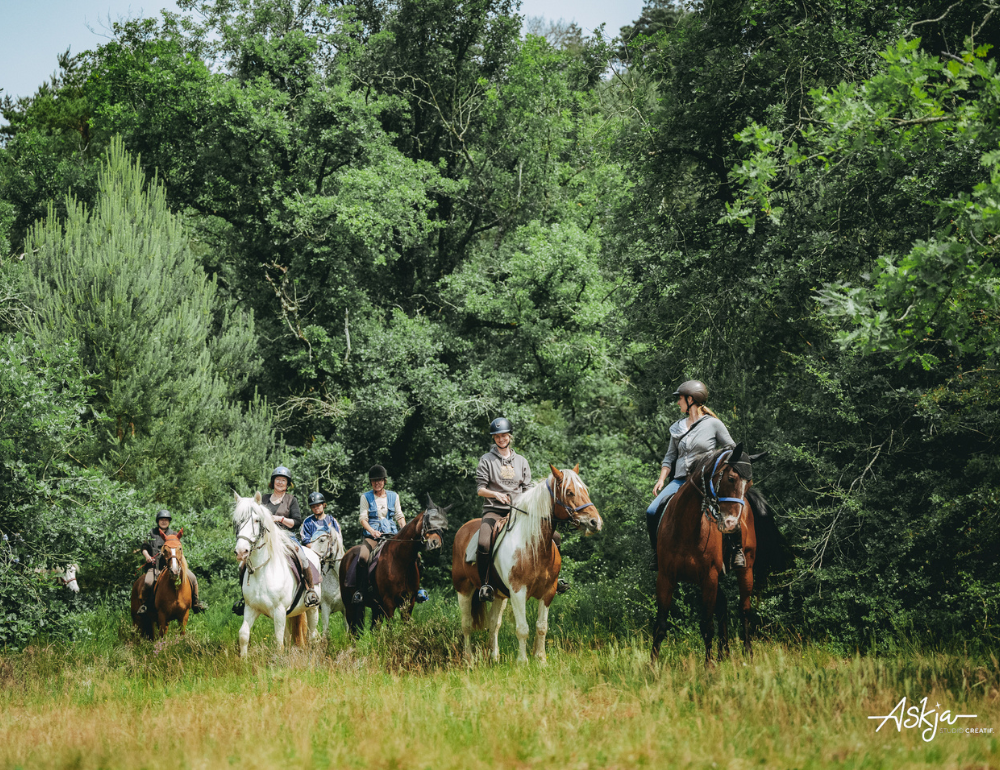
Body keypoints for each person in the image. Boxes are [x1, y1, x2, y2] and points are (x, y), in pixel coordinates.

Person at [474, 417, 569, 602]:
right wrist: (495, 494)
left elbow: (527, 490)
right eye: (497, 436)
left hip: (519, 511)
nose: (501, 439)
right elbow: (480, 489)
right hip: (494, 510)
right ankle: (486, 584)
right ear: (494, 439)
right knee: (484, 543)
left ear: (510, 436)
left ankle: (554, 578)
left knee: (555, 537)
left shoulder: (522, 461)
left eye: (504, 435)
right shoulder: (486, 460)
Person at [646, 380, 738, 570]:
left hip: (705, 482)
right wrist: (662, 479)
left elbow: (731, 449)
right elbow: (670, 456)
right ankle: (657, 554)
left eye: (680, 399)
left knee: (729, 509)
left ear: (690, 399)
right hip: (679, 480)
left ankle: (735, 551)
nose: (678, 403)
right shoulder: (677, 427)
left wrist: (717, 465)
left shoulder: (714, 424)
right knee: (652, 511)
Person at [232, 465, 319, 615]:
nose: (280, 482)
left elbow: (297, 521)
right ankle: (245, 597)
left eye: (283, 480)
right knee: (243, 564)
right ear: (273, 482)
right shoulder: (263, 499)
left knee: (302, 557)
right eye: (278, 479)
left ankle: (310, 590)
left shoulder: (292, 500)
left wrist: (280, 518)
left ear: (288, 484)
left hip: (285, 537)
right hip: (265, 538)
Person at [353, 465, 405, 605]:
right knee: (363, 557)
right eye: (374, 480)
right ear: (371, 482)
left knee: (414, 554)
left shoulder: (394, 496)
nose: (377, 483)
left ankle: (416, 589)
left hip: (391, 533)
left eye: (380, 480)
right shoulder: (366, 497)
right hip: (372, 535)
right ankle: (361, 591)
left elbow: (399, 516)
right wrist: (372, 531)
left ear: (384, 481)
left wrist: (404, 530)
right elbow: (363, 518)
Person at [138, 510, 207, 614]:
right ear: (158, 521)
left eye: (166, 520)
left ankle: (196, 602)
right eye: (162, 520)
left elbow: (179, 550)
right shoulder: (151, 533)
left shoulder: (174, 534)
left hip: (173, 566)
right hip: (155, 567)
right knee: (148, 582)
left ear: (169, 521)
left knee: (192, 578)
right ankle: (145, 605)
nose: (164, 522)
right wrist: (147, 556)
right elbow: (144, 548)